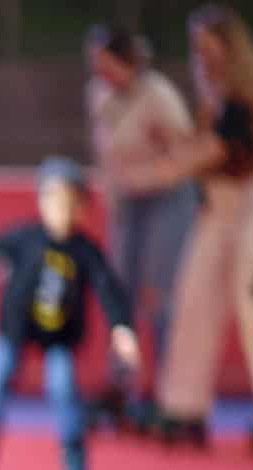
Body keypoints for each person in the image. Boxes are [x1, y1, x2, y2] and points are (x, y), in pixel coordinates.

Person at [0, 157, 139, 470]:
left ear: (83, 209)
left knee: (65, 396)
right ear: (41, 202)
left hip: (59, 338)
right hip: (14, 331)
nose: (62, 211)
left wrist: (121, 328)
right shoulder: (25, 238)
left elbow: (108, 288)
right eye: (54, 201)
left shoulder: (85, 251)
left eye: (71, 203)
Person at [151, 5, 253, 454]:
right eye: (197, 46)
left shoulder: (246, 97)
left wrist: (167, 168)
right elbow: (202, 151)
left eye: (208, 43)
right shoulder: (210, 99)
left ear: (230, 47)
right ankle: (184, 407)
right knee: (193, 298)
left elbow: (216, 152)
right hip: (218, 204)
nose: (201, 54)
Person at [84, 25, 198, 432]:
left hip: (167, 199)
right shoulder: (99, 94)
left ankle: (170, 393)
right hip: (128, 201)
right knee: (121, 295)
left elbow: (187, 152)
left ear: (127, 61)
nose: (100, 72)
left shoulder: (159, 97)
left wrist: (155, 174)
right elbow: (104, 150)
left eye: (106, 63)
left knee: (159, 296)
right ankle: (121, 385)